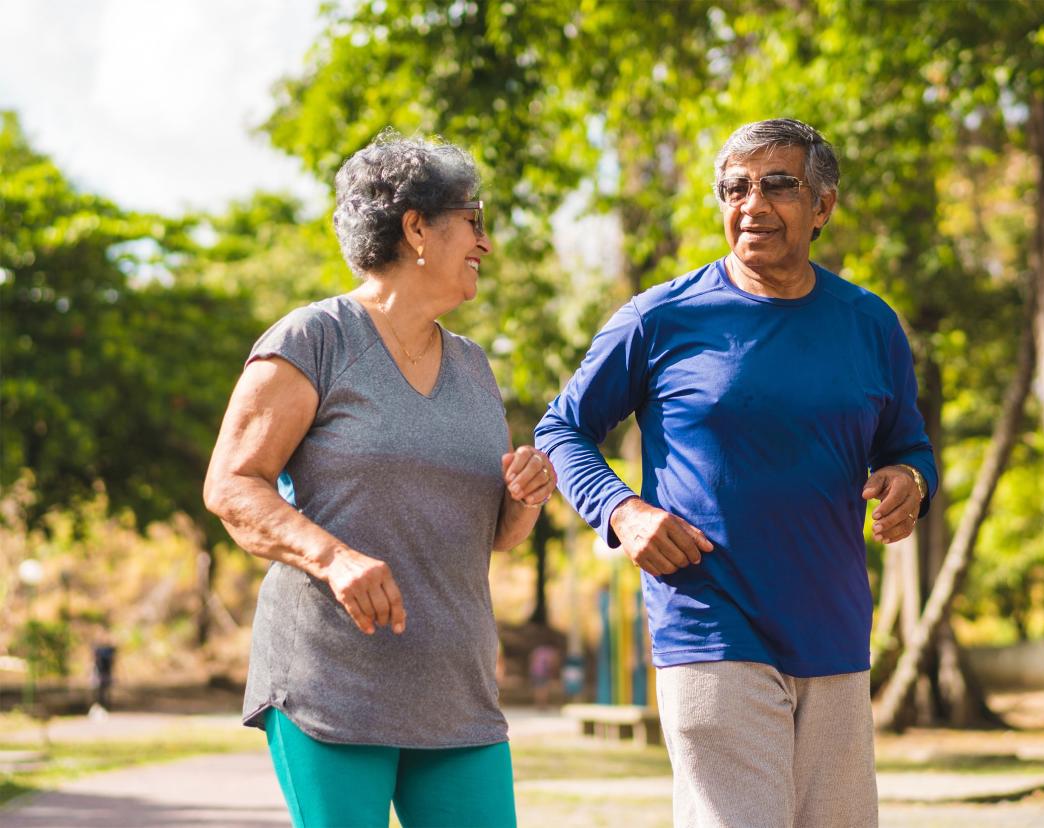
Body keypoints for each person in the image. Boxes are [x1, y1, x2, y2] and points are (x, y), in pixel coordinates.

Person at [534, 118, 937, 828]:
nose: (752, 205)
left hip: (835, 634)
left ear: (824, 206)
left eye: (778, 185)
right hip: (710, 624)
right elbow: (562, 428)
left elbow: (906, 443)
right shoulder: (660, 318)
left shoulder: (870, 323)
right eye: (735, 188)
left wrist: (911, 479)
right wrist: (623, 512)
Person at [203, 130, 555, 828]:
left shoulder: (475, 367)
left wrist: (525, 497)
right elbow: (232, 486)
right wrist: (333, 558)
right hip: (331, 684)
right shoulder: (314, 339)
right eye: (474, 222)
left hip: (456, 695)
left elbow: (494, 538)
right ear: (417, 227)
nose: (485, 245)